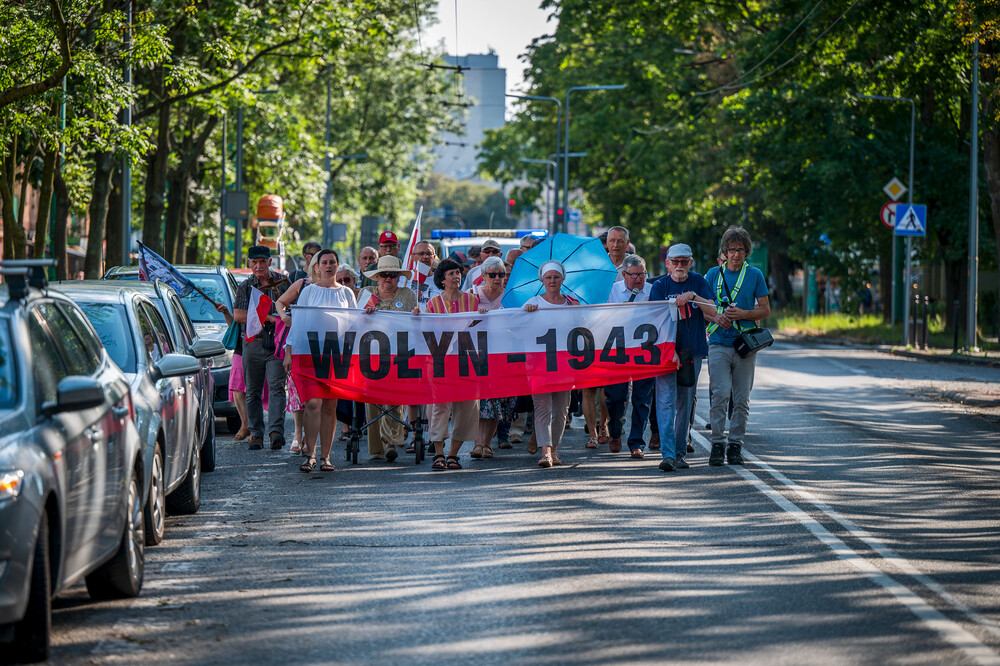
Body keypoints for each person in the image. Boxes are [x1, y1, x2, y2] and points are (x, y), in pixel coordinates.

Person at [278, 249, 357, 473]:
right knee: (313, 403)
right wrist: (288, 352)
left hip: (336, 354)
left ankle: (326, 457)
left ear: (338, 265)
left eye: (333, 262)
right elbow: (298, 324)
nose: (329, 266)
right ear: (317, 266)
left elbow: (355, 324)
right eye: (325, 262)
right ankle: (309, 454)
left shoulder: (346, 293)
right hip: (309, 353)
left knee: (330, 407)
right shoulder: (308, 291)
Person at [704, 227, 770, 466]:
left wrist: (744, 313)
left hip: (745, 345)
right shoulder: (713, 274)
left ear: (746, 252)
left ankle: (735, 445)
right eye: (731, 250)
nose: (735, 254)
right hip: (719, 343)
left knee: (742, 398)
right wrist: (716, 316)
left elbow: (765, 309)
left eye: (740, 250)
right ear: (725, 251)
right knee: (720, 394)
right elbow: (702, 304)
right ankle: (716, 444)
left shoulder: (754, 275)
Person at [649, 243, 718, 471]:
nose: (680, 265)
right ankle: (668, 454)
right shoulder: (659, 286)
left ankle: (679, 453)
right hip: (666, 352)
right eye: (675, 261)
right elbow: (654, 323)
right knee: (665, 402)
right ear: (667, 263)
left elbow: (713, 311)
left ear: (691, 263)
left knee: (685, 403)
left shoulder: (698, 281)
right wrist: (671, 352)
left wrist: (694, 296)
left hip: (694, 350)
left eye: (684, 262)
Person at [420, 258, 480, 471]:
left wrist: (483, 318)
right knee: (440, 406)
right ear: (442, 280)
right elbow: (425, 332)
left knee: (467, 407)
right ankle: (438, 453)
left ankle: (453, 454)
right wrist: (416, 318)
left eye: (458, 272)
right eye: (451, 274)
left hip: (466, 361)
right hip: (440, 362)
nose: (457, 276)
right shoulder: (432, 304)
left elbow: (480, 328)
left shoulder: (473, 301)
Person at [356, 256, 417, 462]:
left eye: (393, 274)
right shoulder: (365, 295)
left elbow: (416, 323)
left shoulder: (408, 295)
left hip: (399, 354)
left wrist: (418, 314)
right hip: (370, 355)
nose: (388, 278)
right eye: (384, 274)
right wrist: (364, 314)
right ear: (377, 277)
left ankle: (391, 441)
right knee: (372, 400)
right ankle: (376, 448)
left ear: (399, 277)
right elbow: (354, 322)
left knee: (394, 397)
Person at [233, 245, 289, 451]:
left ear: (270, 262)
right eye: (254, 262)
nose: (258, 266)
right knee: (253, 391)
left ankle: (276, 432)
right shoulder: (245, 286)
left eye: (262, 262)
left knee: (276, 388)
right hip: (253, 343)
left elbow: (293, 309)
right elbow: (238, 315)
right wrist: (270, 318)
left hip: (276, 343)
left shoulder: (283, 283)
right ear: (249, 263)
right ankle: (256, 433)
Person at [523, 260, 578, 468]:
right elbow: (518, 327)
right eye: (548, 277)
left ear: (562, 279)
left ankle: (555, 448)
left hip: (565, 364)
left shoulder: (571, 303)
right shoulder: (533, 302)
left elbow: (584, 328)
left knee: (562, 409)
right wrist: (526, 312)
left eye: (556, 277)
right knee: (542, 407)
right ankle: (545, 452)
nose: (552, 281)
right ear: (542, 280)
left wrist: (579, 312)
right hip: (539, 365)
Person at [603, 254, 654, 458]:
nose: (639, 279)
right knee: (615, 397)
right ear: (624, 274)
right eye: (634, 275)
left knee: (642, 399)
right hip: (617, 351)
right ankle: (615, 432)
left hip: (644, 352)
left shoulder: (652, 292)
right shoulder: (612, 292)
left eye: (642, 275)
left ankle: (636, 443)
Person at [470, 256, 513, 459]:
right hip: (479, 355)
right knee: (482, 400)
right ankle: (478, 444)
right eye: (492, 275)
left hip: (503, 356)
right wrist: (475, 317)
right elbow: (462, 325)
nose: (497, 278)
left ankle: (487, 444)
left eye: (501, 274)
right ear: (483, 276)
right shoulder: (472, 296)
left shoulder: (511, 298)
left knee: (499, 402)